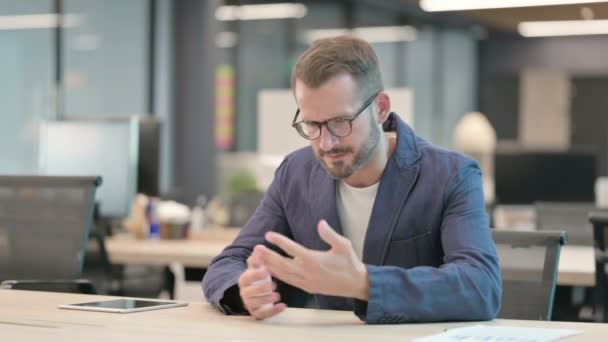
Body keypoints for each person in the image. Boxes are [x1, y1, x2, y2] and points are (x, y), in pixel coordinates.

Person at [203, 35, 502, 324]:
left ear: (381, 108)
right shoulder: (295, 172)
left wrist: (364, 283)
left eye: (340, 122)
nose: (326, 143)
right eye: (312, 124)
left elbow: (481, 287)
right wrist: (245, 290)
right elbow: (228, 264)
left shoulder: (451, 175)